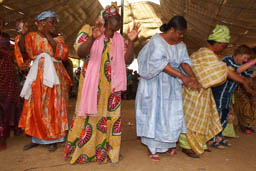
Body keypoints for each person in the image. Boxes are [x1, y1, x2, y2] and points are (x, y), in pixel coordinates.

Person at [64, 3, 140, 164]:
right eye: (114, 22)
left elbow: (128, 60)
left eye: (118, 23)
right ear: (105, 20)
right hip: (92, 85)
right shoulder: (88, 30)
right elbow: (80, 52)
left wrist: (131, 42)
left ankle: (106, 151)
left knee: (109, 117)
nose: (116, 26)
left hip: (112, 87)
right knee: (89, 116)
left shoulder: (119, 39)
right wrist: (93, 37)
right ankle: (85, 152)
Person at [135, 16, 200, 161]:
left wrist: (192, 76)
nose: (181, 36)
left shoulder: (181, 45)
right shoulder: (157, 41)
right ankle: (153, 148)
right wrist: (182, 77)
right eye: (179, 33)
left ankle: (170, 145)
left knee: (172, 114)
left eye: (183, 33)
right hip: (155, 84)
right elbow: (161, 65)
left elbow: (184, 62)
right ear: (171, 29)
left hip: (171, 85)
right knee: (155, 114)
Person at [179, 25, 240, 158]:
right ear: (218, 43)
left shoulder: (204, 54)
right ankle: (186, 146)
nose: (223, 49)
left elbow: (220, 71)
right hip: (193, 91)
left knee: (201, 119)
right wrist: (244, 81)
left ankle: (198, 143)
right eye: (223, 46)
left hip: (202, 92)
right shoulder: (207, 55)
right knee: (190, 121)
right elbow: (223, 71)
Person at [15, 11, 72, 152]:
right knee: (36, 105)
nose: (54, 25)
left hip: (54, 75)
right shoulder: (32, 37)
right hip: (37, 75)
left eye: (55, 22)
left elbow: (61, 54)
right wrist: (22, 34)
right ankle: (37, 137)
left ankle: (54, 138)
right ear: (41, 23)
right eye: (51, 22)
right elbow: (23, 50)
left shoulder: (59, 39)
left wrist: (46, 34)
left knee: (53, 106)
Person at [212, 45, 256, 147]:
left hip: (227, 97)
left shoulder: (241, 65)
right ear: (238, 54)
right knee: (217, 117)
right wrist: (253, 61)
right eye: (245, 58)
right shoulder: (227, 60)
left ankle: (219, 137)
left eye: (248, 59)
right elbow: (237, 71)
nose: (246, 60)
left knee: (224, 116)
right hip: (218, 95)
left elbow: (250, 75)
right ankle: (213, 139)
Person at [0, 17, 21, 150]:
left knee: (6, 105)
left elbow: (11, 51)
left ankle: (2, 137)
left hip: (6, 73)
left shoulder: (6, 36)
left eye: (1, 23)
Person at [234, 47, 256, 134]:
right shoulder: (238, 64)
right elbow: (241, 73)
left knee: (251, 108)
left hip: (249, 88)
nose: (247, 59)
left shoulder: (248, 65)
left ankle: (250, 125)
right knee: (244, 107)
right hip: (241, 89)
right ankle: (245, 126)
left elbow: (250, 75)